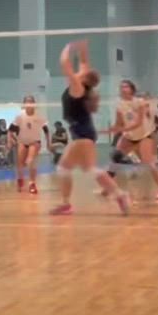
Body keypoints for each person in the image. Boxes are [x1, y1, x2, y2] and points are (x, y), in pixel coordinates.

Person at [51, 41, 129, 216]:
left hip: (82, 133)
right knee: (78, 169)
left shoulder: (77, 87)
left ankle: (119, 195)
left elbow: (65, 64)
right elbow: (84, 63)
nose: (80, 70)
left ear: (85, 78)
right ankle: (67, 203)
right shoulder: (83, 86)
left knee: (77, 168)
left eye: (82, 72)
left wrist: (68, 47)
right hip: (84, 132)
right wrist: (83, 48)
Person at [112, 80, 158, 200]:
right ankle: (108, 188)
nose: (123, 89)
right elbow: (119, 122)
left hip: (144, 136)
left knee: (149, 163)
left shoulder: (140, 102)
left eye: (126, 86)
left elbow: (138, 122)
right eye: (121, 87)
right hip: (129, 136)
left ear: (132, 89)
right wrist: (113, 129)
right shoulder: (120, 105)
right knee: (115, 158)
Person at [13, 96, 49, 193]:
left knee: (31, 161)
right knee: (20, 163)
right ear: (24, 104)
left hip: (35, 142)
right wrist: (10, 140)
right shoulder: (20, 116)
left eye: (31, 102)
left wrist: (48, 142)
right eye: (27, 102)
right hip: (22, 142)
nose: (29, 104)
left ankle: (32, 183)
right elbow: (11, 129)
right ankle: (20, 179)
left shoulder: (39, 116)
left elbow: (46, 130)